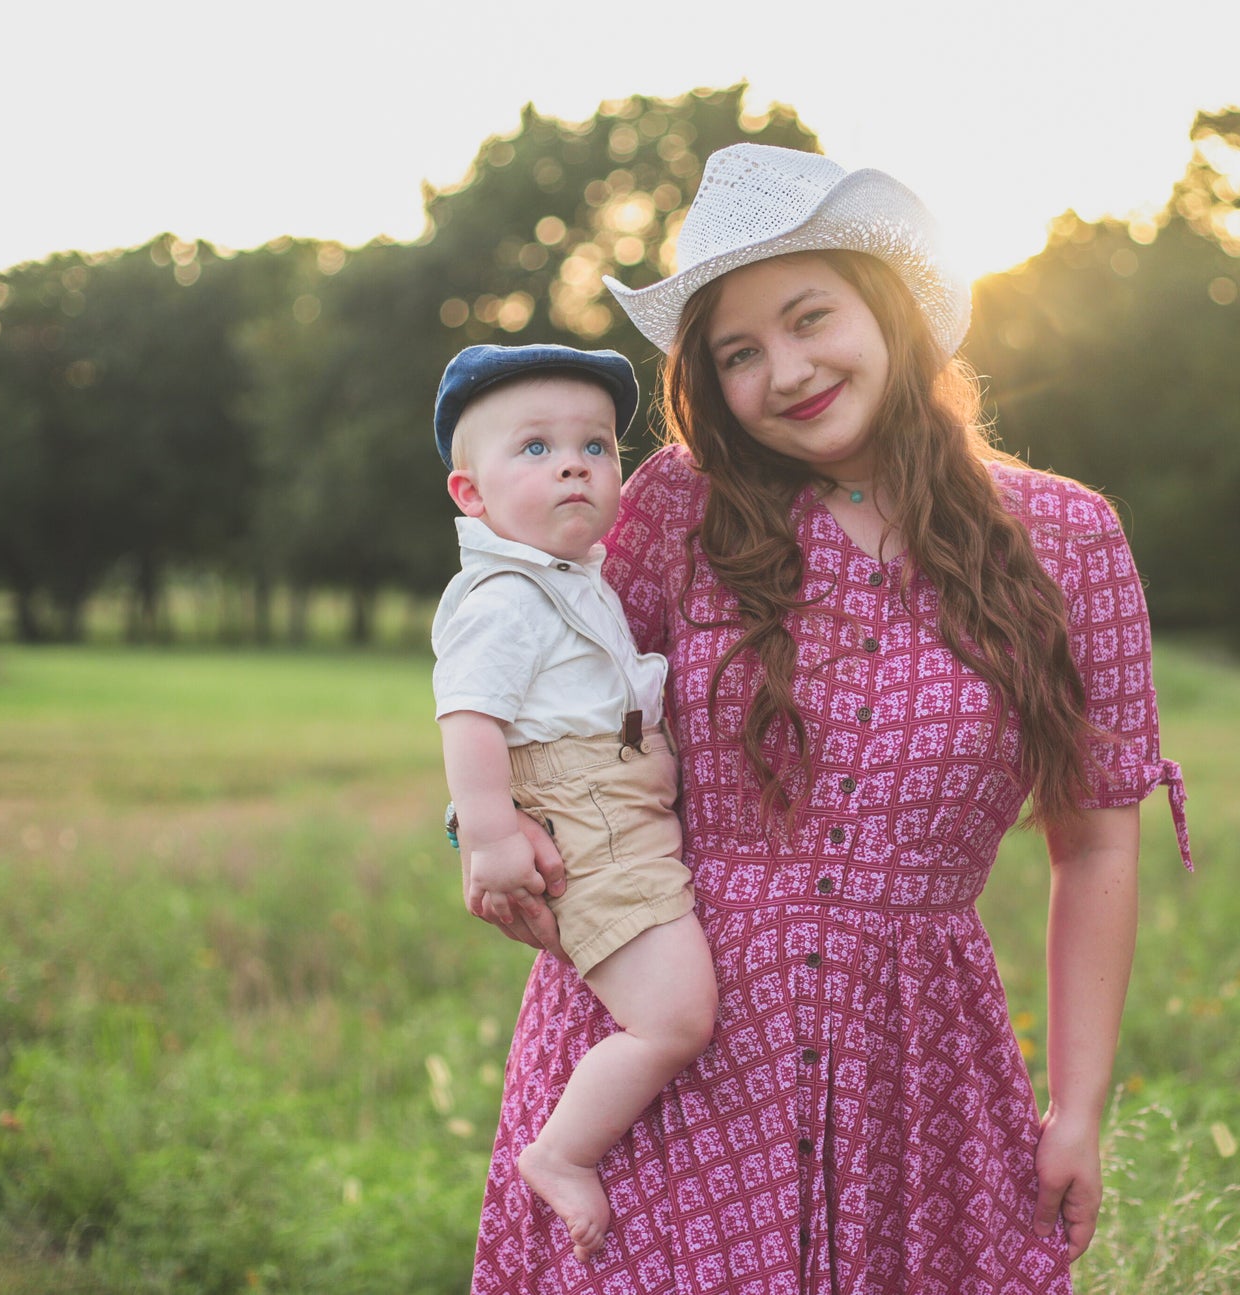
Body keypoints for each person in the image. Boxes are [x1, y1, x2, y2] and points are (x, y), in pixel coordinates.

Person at [467, 144, 1191, 1294]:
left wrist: (1076, 1104)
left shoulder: (1066, 539)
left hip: (915, 1072)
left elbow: (1095, 837)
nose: (786, 371)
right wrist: (491, 832)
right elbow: (531, 676)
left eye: (810, 318)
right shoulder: (677, 507)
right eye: (738, 353)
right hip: (663, 1039)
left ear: (888, 307)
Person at [431, 344, 717, 1263]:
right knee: (676, 1019)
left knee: (676, 1007)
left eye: (597, 446)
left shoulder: (569, 576)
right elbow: (468, 715)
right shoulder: (507, 595)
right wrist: (489, 835)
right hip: (587, 818)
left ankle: (566, 1145)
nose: (573, 464)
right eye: (536, 448)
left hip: (615, 807)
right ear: (470, 495)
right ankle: (561, 1152)